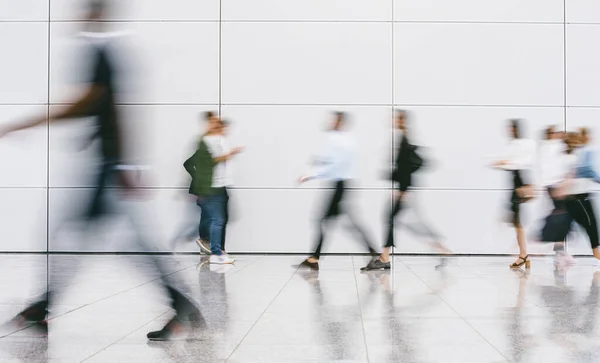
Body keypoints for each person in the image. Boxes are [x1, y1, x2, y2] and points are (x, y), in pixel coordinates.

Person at [0, 0, 202, 341]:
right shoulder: (107, 54)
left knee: (69, 237)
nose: (78, 18)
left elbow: (90, 103)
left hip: (105, 170)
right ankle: (181, 306)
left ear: (95, 15)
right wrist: (124, 162)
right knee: (113, 241)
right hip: (108, 167)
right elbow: (113, 111)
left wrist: (25, 123)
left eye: (84, 12)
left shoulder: (100, 54)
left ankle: (41, 309)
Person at [361, 109, 450, 271]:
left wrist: (402, 189)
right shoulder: (404, 138)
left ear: (401, 121)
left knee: (392, 220)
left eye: (396, 118)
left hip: (403, 191)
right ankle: (441, 249)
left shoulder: (405, 140)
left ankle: (385, 258)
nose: (393, 121)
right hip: (403, 190)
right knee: (405, 222)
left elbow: (408, 167)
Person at [297, 112, 378, 270]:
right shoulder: (346, 140)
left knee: (326, 221)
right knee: (341, 222)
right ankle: (314, 258)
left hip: (340, 185)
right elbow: (334, 162)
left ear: (340, 122)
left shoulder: (339, 141)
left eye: (333, 120)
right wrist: (321, 161)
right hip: (342, 185)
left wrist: (311, 175)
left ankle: (314, 259)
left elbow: (335, 166)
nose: (330, 122)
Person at [184, 113, 241, 264]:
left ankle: (210, 245)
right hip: (211, 187)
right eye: (215, 123)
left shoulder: (219, 141)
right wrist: (200, 182)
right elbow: (207, 162)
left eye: (220, 124)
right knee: (218, 219)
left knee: (217, 218)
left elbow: (191, 163)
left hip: (221, 185)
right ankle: (216, 252)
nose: (218, 127)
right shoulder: (204, 142)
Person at [492, 119, 535, 269]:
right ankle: (523, 254)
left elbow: (520, 163)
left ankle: (523, 254)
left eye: (511, 128)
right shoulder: (516, 144)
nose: (509, 131)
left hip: (519, 183)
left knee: (516, 221)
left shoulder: (522, 144)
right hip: (516, 183)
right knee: (516, 221)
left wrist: (504, 163)